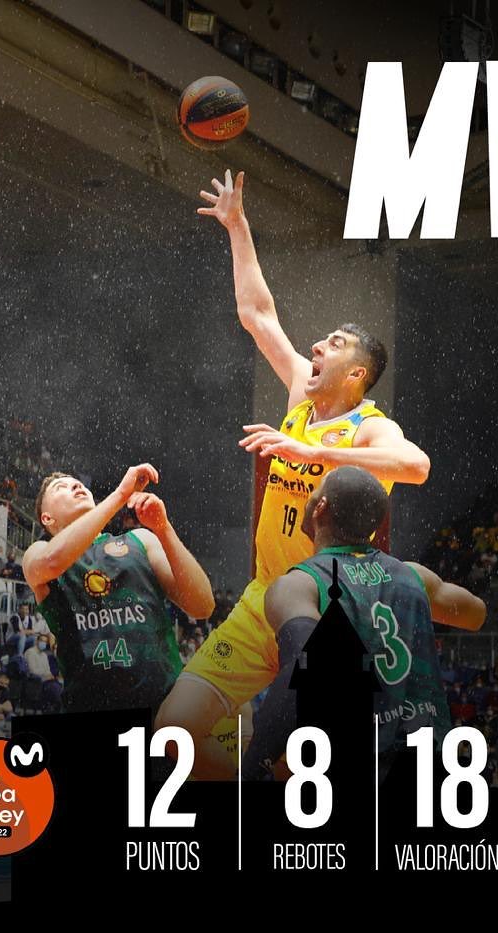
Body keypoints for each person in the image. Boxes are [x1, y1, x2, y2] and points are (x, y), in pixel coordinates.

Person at [157, 170, 431, 778]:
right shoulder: (300, 400)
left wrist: (316, 457)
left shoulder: (368, 427)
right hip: (264, 597)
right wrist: (237, 225)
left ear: (356, 374)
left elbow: (415, 466)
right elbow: (258, 313)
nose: (317, 347)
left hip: (330, 615)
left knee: (301, 766)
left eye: (333, 343)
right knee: (172, 733)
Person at [238, 467, 486, 781]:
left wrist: (253, 765)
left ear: (321, 507)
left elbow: (305, 668)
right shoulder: (413, 576)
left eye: (315, 490)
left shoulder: (300, 585)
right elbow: (476, 614)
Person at [22, 464, 214, 714]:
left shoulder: (140, 539)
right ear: (47, 518)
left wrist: (164, 528)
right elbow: (51, 561)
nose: (76, 485)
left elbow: (203, 606)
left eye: (77, 483)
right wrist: (120, 496)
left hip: (164, 711)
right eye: (61, 487)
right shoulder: (38, 553)